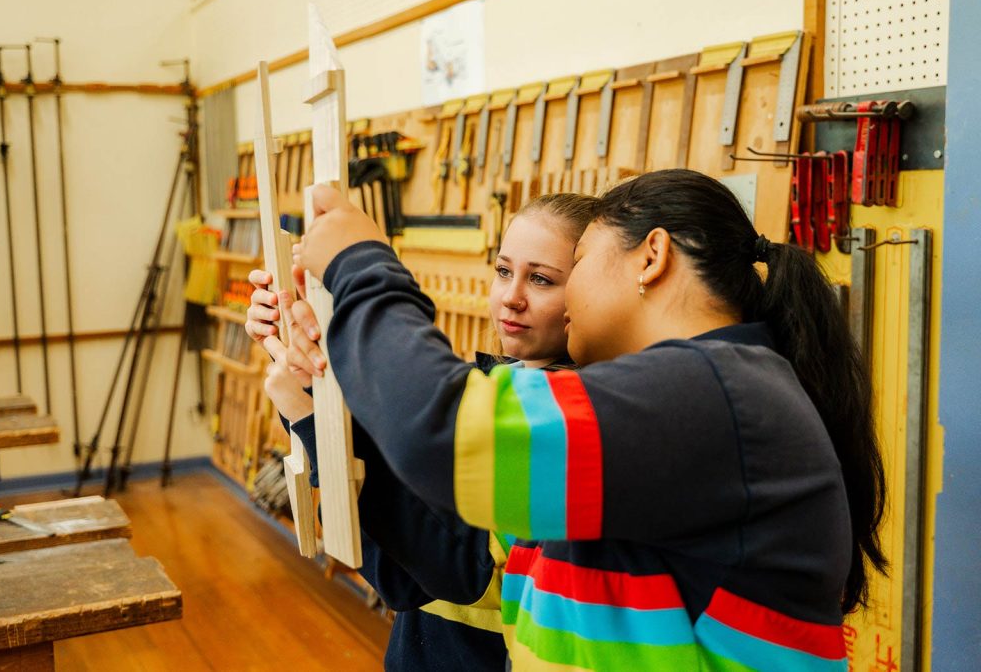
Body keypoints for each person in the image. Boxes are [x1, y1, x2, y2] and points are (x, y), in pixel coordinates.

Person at [285, 168, 887, 670]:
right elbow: (435, 508)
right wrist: (323, 365)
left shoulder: (713, 394)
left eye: (575, 263)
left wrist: (360, 264)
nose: (560, 299)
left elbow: (441, 435)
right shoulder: (694, 394)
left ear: (651, 256)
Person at [246, 194, 599, 671]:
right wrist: (305, 357)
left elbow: (408, 573)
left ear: (589, 291)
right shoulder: (490, 388)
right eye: (502, 271)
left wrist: (309, 414)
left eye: (541, 279)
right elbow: (382, 530)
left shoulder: (559, 416)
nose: (512, 296)